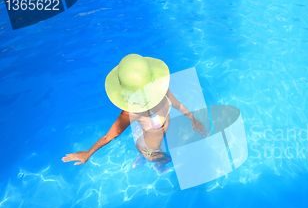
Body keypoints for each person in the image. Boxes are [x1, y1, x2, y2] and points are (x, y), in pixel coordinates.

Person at [62, 54, 206, 174]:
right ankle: (156, 164)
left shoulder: (161, 90)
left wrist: (193, 119)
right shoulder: (131, 112)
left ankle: (143, 157)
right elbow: (108, 137)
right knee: (169, 159)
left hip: (151, 135)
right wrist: (89, 152)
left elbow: (177, 105)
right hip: (149, 148)